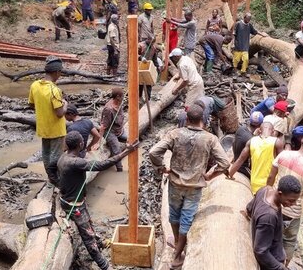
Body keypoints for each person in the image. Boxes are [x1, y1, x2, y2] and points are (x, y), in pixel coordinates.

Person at [149, 104, 231, 269]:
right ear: (203, 120)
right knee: (186, 219)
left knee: (174, 215)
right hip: (194, 186)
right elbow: (225, 162)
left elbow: (153, 152)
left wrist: (162, 168)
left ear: (187, 119)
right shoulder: (210, 138)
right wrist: (211, 175)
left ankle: (177, 243)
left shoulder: (175, 134)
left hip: (175, 183)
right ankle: (178, 255)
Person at [58, 131, 138, 270]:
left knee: (88, 223)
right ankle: (104, 265)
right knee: (88, 238)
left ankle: (99, 242)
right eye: (83, 141)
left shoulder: (63, 157)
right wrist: (126, 152)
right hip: (73, 205)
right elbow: (101, 165)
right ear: (81, 144)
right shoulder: (76, 162)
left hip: (70, 200)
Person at [266, 132, 303, 264]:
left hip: (274, 203)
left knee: (269, 236)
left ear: (301, 141)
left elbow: (270, 177)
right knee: (289, 241)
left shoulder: (284, 154)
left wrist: (267, 191)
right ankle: (284, 265)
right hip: (292, 212)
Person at [245, 175, 301, 270]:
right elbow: (261, 251)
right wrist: (280, 267)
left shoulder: (265, 190)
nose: (293, 204)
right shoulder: (269, 217)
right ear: (280, 193)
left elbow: (249, 208)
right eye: (291, 200)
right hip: (270, 265)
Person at [28, 56, 68, 186]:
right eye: (60, 72)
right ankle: (55, 179)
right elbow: (59, 113)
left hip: (43, 127)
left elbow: (31, 104)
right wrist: (65, 104)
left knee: (45, 153)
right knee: (56, 155)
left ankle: (50, 177)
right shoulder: (54, 90)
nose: (60, 75)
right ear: (56, 72)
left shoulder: (35, 85)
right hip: (56, 129)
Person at [229, 122, 284, 194]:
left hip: (255, 184)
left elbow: (240, 160)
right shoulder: (277, 142)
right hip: (271, 185)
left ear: (259, 130)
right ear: (273, 131)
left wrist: (230, 175)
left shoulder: (251, 141)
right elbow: (283, 163)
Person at [99, 88, 127, 172]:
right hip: (110, 132)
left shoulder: (119, 103)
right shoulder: (109, 109)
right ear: (117, 97)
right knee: (117, 150)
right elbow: (103, 126)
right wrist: (99, 142)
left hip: (119, 130)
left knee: (132, 140)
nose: (124, 98)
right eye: (122, 96)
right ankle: (119, 169)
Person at [232, 111, 264, 179]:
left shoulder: (241, 129)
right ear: (260, 125)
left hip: (236, 158)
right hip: (243, 167)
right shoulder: (251, 140)